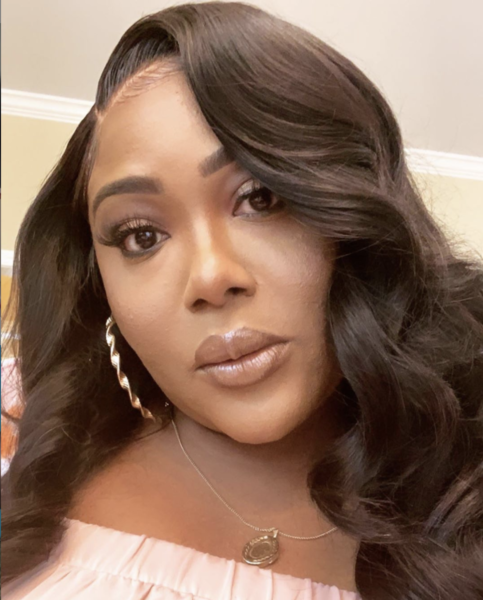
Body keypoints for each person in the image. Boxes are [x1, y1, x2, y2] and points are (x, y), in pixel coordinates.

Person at [2, 2, 482, 599]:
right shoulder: (33, 507)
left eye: (261, 198)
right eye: (141, 236)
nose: (210, 278)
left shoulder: (461, 492)